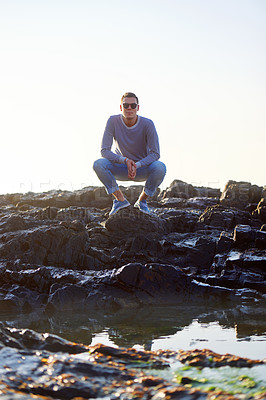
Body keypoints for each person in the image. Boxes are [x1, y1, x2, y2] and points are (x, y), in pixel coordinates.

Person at [93, 92, 166, 216]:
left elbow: (155, 154)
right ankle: (120, 201)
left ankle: (142, 202)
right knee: (98, 164)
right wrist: (125, 160)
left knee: (160, 167)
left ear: (138, 108)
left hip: (142, 169)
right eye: (126, 105)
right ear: (121, 107)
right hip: (120, 167)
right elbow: (104, 150)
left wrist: (137, 165)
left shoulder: (148, 124)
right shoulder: (113, 121)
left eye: (133, 105)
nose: (129, 108)